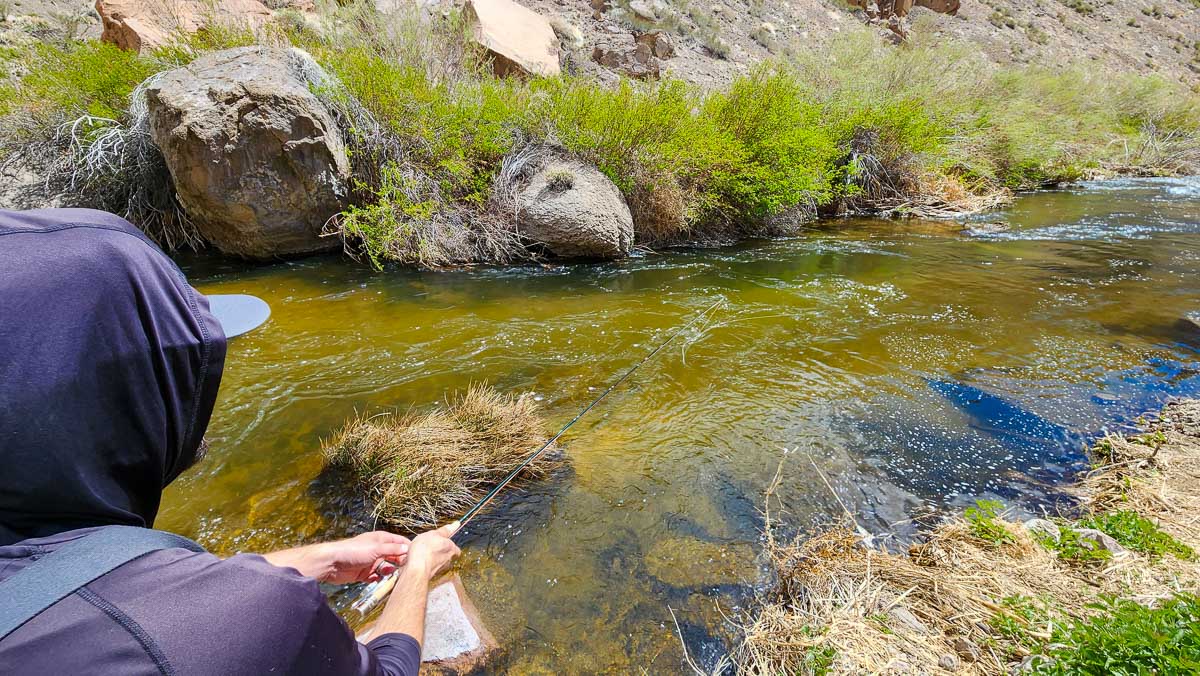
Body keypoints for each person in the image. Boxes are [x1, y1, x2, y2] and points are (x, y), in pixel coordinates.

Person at [0, 208, 461, 674]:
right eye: (182, 367)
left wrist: (317, 558)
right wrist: (420, 567)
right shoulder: (245, 618)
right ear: (116, 398)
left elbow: (86, 590)